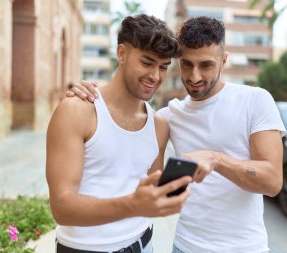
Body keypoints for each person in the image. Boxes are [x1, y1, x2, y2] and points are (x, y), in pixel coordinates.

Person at [68, 16, 286, 253]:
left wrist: (216, 159)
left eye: (206, 65)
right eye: (186, 64)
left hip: (245, 248)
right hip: (184, 246)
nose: (194, 77)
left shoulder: (255, 100)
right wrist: (94, 90)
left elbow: (272, 181)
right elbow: (150, 178)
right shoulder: (168, 116)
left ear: (223, 61)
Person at [46, 14, 193, 253]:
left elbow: (150, 190)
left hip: (144, 244)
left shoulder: (159, 125)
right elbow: (61, 207)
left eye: (163, 67)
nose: (155, 76)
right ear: (122, 54)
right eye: (147, 63)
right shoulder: (77, 110)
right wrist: (133, 206)